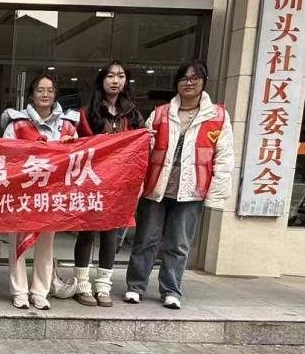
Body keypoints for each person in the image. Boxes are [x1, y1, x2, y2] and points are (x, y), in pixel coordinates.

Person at [124, 61, 235, 309]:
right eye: (184, 78)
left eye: (195, 78)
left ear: (204, 82)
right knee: (146, 239)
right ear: (176, 83)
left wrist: (216, 193)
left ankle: (171, 290)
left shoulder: (218, 116)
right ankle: (135, 286)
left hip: (192, 189)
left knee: (178, 243)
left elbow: (224, 156)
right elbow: (142, 151)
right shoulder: (160, 113)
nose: (189, 83)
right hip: (156, 186)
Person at [1, 74, 78, 311]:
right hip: (22, 193)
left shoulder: (68, 125)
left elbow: (79, 157)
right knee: (18, 244)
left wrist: (70, 145)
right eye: (40, 90)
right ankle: (19, 291)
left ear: (55, 94)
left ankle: (40, 291)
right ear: (31, 94)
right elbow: (5, 154)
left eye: (50, 90)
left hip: (52, 195)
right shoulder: (16, 123)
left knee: (46, 244)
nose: (45, 94)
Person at [71, 61, 144, 307]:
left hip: (119, 183)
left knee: (111, 233)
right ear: (101, 80)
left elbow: (139, 149)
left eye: (121, 76)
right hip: (92, 181)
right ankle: (82, 284)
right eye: (110, 76)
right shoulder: (87, 113)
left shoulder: (133, 114)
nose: (115, 80)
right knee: (87, 230)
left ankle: (103, 286)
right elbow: (78, 146)